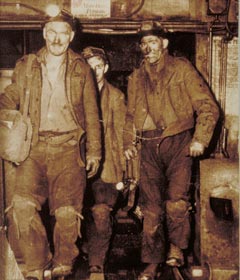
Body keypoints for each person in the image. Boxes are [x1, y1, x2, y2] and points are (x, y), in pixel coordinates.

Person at [0, 10, 101, 280]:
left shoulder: (82, 67)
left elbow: (92, 112)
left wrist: (95, 152)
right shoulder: (27, 65)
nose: (57, 38)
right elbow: (11, 97)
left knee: (67, 214)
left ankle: (63, 262)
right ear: (45, 34)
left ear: (71, 37)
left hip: (69, 147)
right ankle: (36, 263)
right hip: (34, 147)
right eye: (52, 32)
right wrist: (5, 112)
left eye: (63, 33)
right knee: (21, 206)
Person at [123, 21, 219, 280]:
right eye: (143, 44)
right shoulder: (135, 78)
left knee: (176, 203)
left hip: (178, 142)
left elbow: (208, 107)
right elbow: (130, 116)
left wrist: (200, 139)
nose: (147, 48)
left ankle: (176, 248)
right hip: (148, 145)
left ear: (164, 43)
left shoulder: (182, 69)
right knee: (151, 208)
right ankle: (152, 262)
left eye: (152, 42)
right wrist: (128, 144)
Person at [82, 46, 126, 280]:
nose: (94, 71)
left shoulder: (116, 97)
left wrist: (124, 174)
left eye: (98, 66)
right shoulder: (73, 95)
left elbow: (120, 136)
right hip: (75, 167)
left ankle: (96, 265)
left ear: (106, 68)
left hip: (106, 168)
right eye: (89, 67)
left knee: (100, 213)